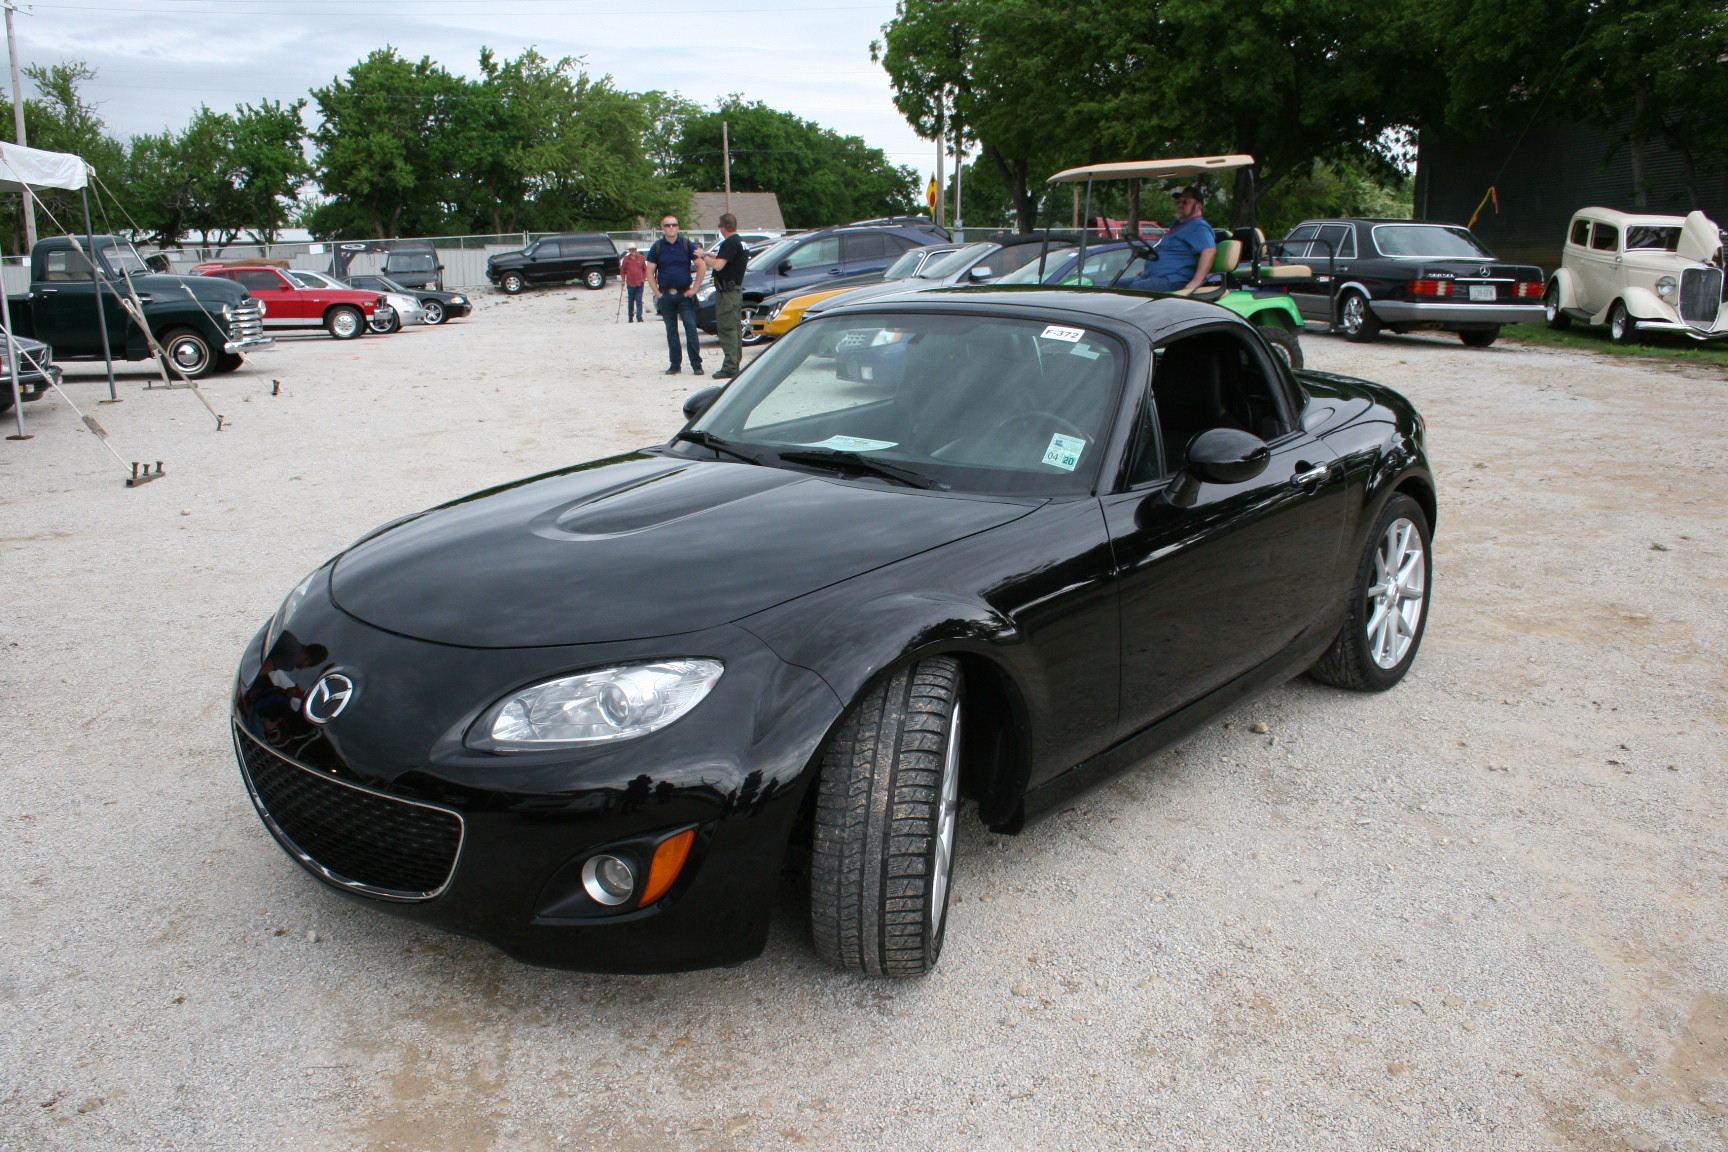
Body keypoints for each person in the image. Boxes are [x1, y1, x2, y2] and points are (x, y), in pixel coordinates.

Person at [1125, 186, 1217, 294]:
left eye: (1185, 202)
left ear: (1198, 206)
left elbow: (1209, 251)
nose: (1180, 205)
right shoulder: (1177, 226)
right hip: (1157, 277)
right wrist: (1149, 271)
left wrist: (1196, 282)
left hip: (1175, 280)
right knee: (1114, 288)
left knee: (1134, 290)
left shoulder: (1198, 227)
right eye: (1178, 202)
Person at [645, 214, 704, 375]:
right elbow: (649, 271)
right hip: (666, 296)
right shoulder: (657, 247)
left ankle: (696, 365)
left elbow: (701, 265)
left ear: (678, 227)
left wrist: (695, 288)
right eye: (667, 225)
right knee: (671, 330)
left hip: (685, 295)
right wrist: (657, 293)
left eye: (674, 225)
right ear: (662, 228)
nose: (671, 227)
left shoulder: (686, 244)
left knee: (691, 328)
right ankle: (675, 364)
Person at [703, 213, 750, 379]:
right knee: (735, 328)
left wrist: (703, 257)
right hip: (735, 291)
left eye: (720, 227)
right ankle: (735, 362)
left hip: (727, 292)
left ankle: (730, 367)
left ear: (723, 227)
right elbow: (724, 259)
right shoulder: (740, 242)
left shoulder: (730, 243)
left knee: (727, 328)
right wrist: (707, 253)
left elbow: (718, 265)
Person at [620, 243, 647, 322]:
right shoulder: (626, 259)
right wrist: (622, 280)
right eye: (632, 250)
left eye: (635, 249)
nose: (634, 251)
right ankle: (630, 317)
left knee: (639, 300)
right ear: (629, 251)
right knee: (631, 300)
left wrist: (643, 278)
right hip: (630, 283)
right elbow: (622, 271)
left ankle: (639, 317)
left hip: (640, 282)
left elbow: (645, 269)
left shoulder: (641, 258)